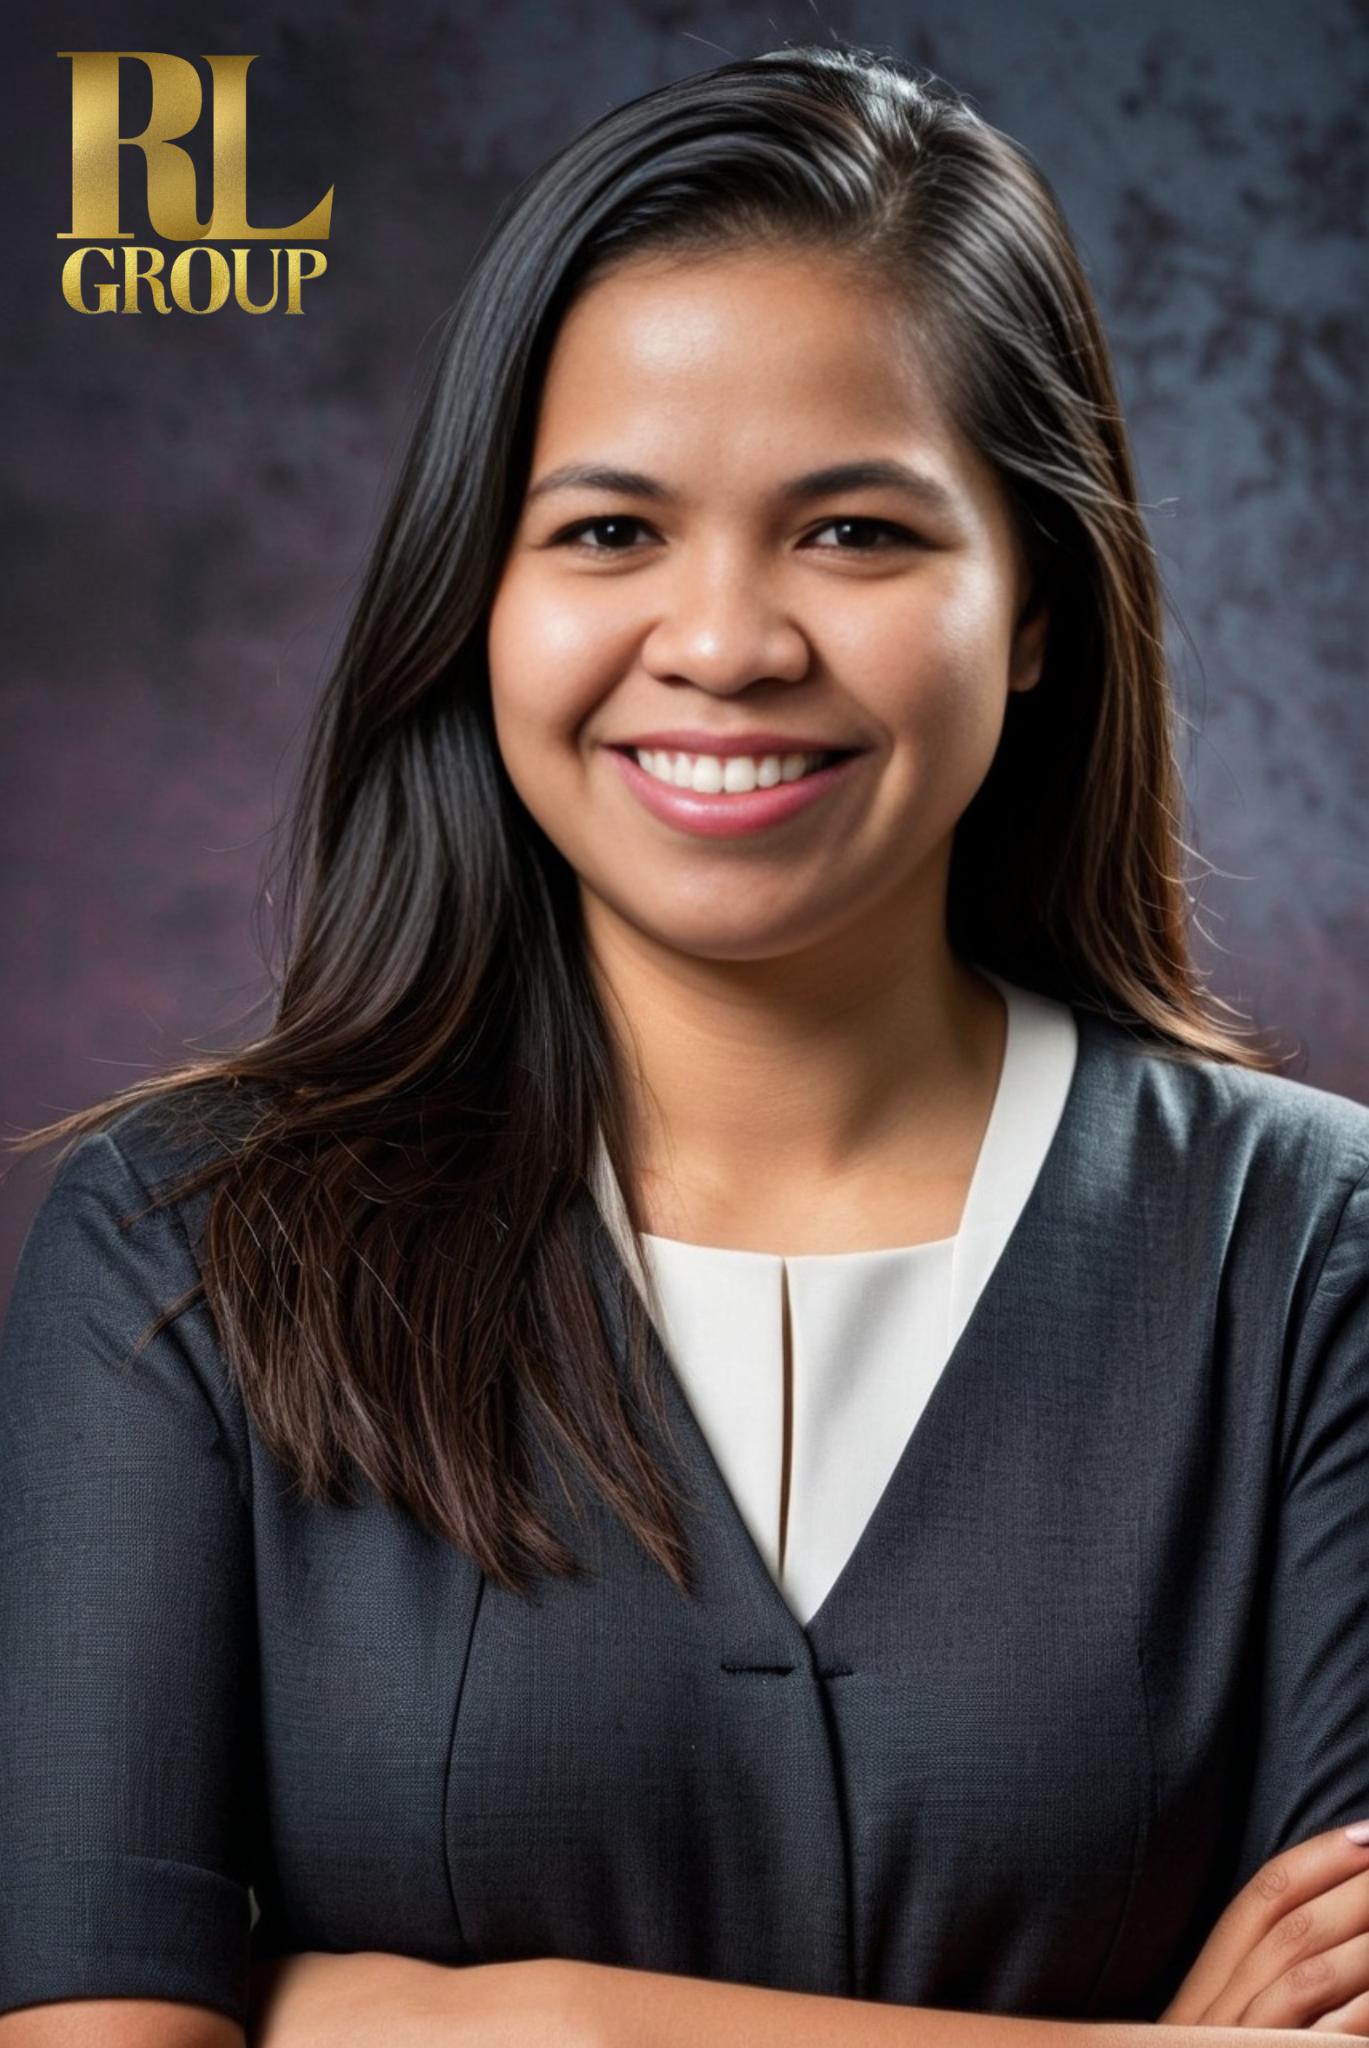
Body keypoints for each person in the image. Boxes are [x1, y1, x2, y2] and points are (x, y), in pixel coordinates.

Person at [3, 41, 1369, 2048]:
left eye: (856, 534)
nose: (724, 641)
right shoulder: (183, 1247)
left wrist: (422, 2019)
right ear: (479, 589)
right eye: (610, 532)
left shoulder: (1319, 1251)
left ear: (1044, 603)